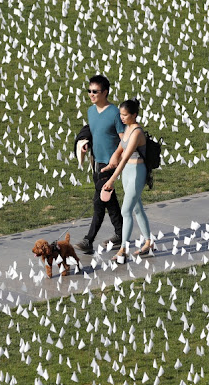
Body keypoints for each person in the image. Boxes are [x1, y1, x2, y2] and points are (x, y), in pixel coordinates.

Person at [74, 75, 124, 254]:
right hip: (96, 161)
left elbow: (124, 140)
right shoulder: (91, 111)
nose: (91, 94)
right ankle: (120, 234)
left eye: (95, 91)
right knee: (109, 200)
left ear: (105, 92)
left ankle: (89, 240)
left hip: (109, 164)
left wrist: (116, 159)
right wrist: (86, 143)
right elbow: (95, 131)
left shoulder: (115, 113)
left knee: (99, 200)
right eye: (89, 91)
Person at [102, 99, 152, 262]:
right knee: (137, 208)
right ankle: (148, 241)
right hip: (128, 173)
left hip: (137, 172)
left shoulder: (137, 132)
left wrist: (111, 180)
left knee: (125, 211)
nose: (122, 118)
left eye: (125, 115)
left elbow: (126, 157)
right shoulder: (127, 128)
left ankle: (123, 249)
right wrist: (113, 157)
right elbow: (121, 148)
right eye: (121, 115)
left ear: (134, 115)